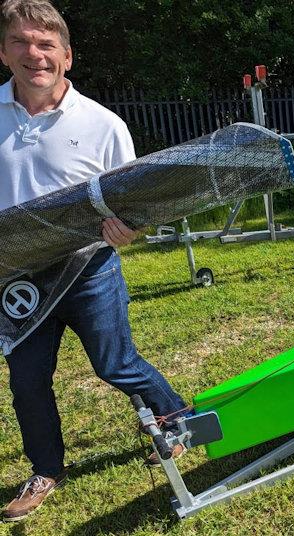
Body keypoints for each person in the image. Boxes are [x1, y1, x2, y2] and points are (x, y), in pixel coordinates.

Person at [0, 0, 188, 521]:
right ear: (3, 52)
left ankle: (178, 423)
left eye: (45, 44)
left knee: (116, 364)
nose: (33, 54)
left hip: (89, 272)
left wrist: (129, 230)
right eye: (20, 42)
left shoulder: (103, 124)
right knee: (27, 382)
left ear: (66, 56)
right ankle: (46, 470)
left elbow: (134, 200)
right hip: (17, 282)